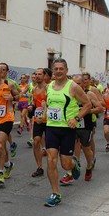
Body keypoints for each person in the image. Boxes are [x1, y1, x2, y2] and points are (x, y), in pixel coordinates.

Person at [43, 59, 91, 207]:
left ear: (66, 70)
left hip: (67, 130)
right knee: (51, 160)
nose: (58, 71)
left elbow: (88, 104)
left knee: (65, 164)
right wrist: (44, 115)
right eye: (56, 69)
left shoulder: (73, 87)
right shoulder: (49, 86)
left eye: (61, 69)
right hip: (51, 127)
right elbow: (49, 104)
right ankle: (55, 193)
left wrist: (76, 118)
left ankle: (73, 164)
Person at [28, 68, 47, 177]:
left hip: (49, 120)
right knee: (36, 141)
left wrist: (46, 108)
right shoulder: (34, 89)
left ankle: (52, 164)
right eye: (36, 74)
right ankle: (39, 167)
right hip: (38, 119)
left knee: (50, 146)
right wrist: (31, 107)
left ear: (44, 76)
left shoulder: (48, 89)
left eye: (40, 74)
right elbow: (34, 103)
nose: (38, 76)